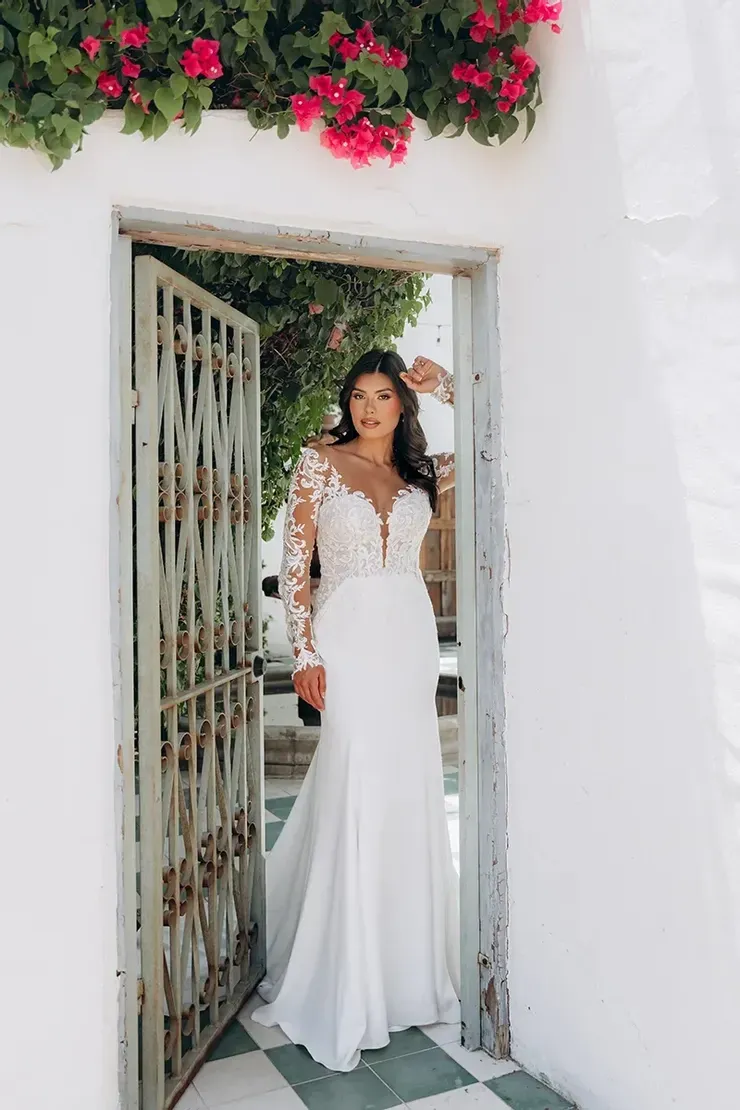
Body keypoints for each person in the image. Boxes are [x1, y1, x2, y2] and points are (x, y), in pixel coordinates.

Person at [251, 350, 458, 1071]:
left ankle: (402, 973)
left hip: (406, 636)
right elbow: (295, 563)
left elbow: (502, 454)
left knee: (404, 789)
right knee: (355, 779)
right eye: (359, 395)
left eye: (385, 396)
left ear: (404, 404)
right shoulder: (318, 462)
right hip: (346, 638)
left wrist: (453, 386)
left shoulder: (422, 474)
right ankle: (346, 972)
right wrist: (303, 652)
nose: (369, 408)